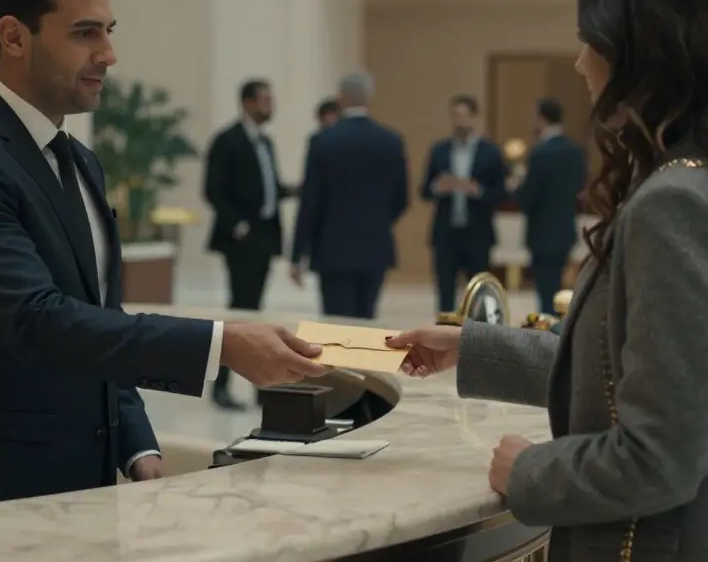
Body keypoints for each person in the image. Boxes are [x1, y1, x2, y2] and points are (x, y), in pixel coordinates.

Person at [388, 0, 708, 562]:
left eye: (587, 40)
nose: (578, 62)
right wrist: (474, 347)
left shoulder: (676, 206)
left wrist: (531, 470)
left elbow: (661, 457)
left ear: (643, 52)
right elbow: (631, 372)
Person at [0, 0, 325, 513]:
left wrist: (137, 443)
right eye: (84, 33)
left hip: (84, 492)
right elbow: (38, 321)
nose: (109, 54)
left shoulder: (80, 161)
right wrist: (220, 345)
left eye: (109, 30)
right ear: (14, 37)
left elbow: (100, 324)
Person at [203, 79, 296, 410]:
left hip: (265, 237)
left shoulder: (266, 143)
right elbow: (213, 190)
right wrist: (238, 225)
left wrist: (292, 190)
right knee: (240, 313)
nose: (271, 106)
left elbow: (265, 188)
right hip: (240, 239)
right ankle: (222, 385)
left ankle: (260, 382)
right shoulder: (228, 141)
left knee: (255, 312)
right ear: (247, 103)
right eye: (265, 100)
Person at [290, 71, 409, 319]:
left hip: (332, 247)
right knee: (367, 319)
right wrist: (377, 221)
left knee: (336, 323)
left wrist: (297, 252)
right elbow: (401, 199)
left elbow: (311, 201)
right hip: (375, 245)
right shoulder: (391, 141)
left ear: (341, 97)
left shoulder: (323, 141)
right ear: (369, 96)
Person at [419, 95, 507, 313]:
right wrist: (439, 187)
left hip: (477, 232)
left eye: (464, 115)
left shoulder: (490, 152)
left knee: (477, 292)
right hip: (446, 232)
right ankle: (442, 334)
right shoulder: (440, 150)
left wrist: (478, 191)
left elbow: (502, 193)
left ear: (474, 118)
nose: (459, 121)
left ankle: (476, 336)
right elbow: (424, 191)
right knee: (445, 290)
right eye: (455, 115)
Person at [511, 97, 586, 314]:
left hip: (542, 232)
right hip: (565, 229)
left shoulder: (540, 152)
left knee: (546, 295)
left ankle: (549, 339)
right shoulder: (575, 151)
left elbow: (527, 196)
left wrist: (517, 186)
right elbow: (580, 186)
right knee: (560, 291)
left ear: (541, 119)